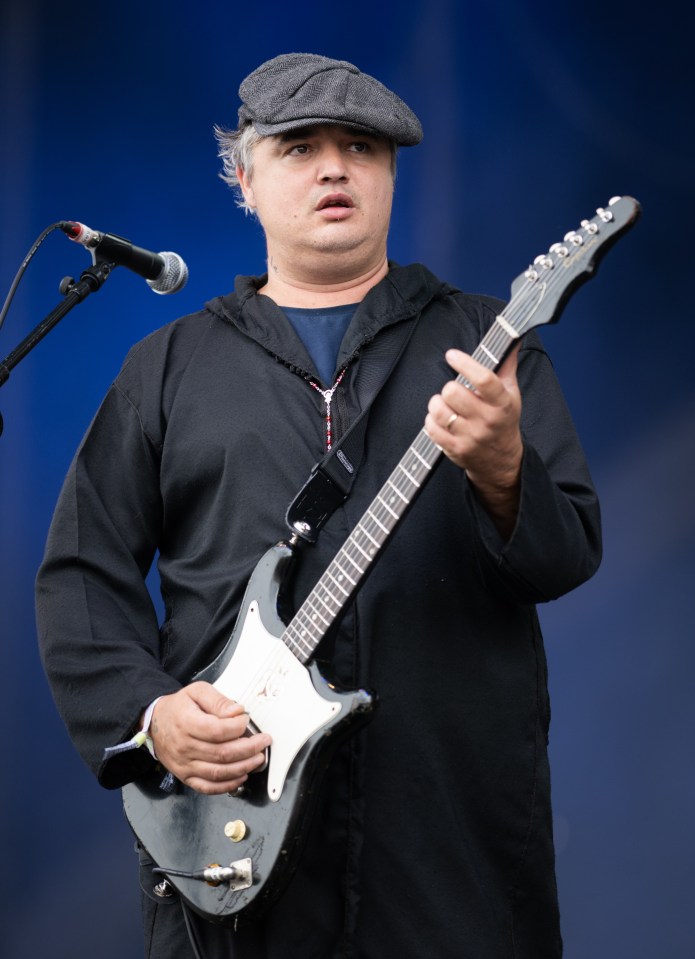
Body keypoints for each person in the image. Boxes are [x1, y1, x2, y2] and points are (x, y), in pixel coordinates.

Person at [36, 53, 602, 959]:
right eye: (300, 147)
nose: (334, 165)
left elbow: (566, 553)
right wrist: (151, 714)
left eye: (361, 147)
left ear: (387, 175)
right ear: (243, 179)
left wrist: (504, 469)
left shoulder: (488, 349)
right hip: (229, 845)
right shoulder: (167, 370)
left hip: (448, 847)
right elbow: (81, 576)